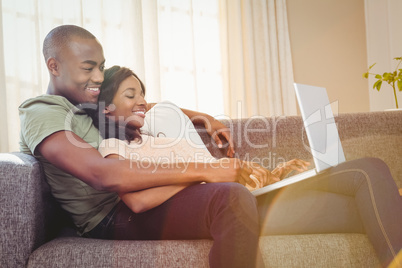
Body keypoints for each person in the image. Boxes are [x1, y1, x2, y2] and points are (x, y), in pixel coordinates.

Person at [19, 24, 291, 268]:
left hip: (142, 195)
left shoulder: (85, 102)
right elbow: (102, 174)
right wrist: (206, 170)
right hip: (111, 216)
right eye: (88, 68)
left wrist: (204, 117)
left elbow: (139, 105)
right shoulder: (42, 112)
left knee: (265, 202)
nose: (99, 77)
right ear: (54, 66)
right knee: (229, 198)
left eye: (101, 67)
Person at [90, 65, 402, 267]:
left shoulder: (154, 129)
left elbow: (156, 106)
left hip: (243, 195)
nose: (142, 100)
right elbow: (138, 200)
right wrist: (208, 174)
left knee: (370, 172)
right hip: (229, 203)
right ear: (107, 109)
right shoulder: (113, 145)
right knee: (364, 202)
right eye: (131, 94)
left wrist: (207, 120)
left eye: (143, 92)